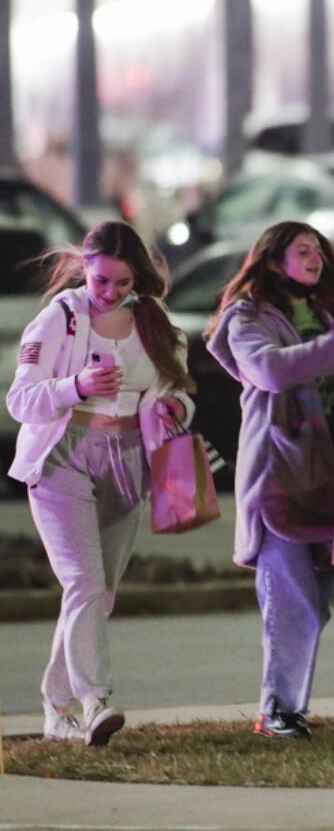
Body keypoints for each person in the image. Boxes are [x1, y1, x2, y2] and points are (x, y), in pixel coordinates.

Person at [205, 221, 334, 739]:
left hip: (331, 483)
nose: (314, 258)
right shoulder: (248, 318)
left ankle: (285, 702)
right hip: (278, 477)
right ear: (273, 261)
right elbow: (270, 371)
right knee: (290, 596)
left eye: (318, 250)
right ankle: (278, 711)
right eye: (302, 251)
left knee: (319, 592)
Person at [7, 221, 196, 746]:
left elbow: (178, 389)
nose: (110, 292)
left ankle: (57, 705)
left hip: (128, 460)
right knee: (83, 583)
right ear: (84, 269)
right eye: (101, 281)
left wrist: (177, 407)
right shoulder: (59, 319)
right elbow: (20, 401)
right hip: (63, 459)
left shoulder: (153, 322)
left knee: (99, 591)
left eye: (122, 282)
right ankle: (95, 703)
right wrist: (75, 386)